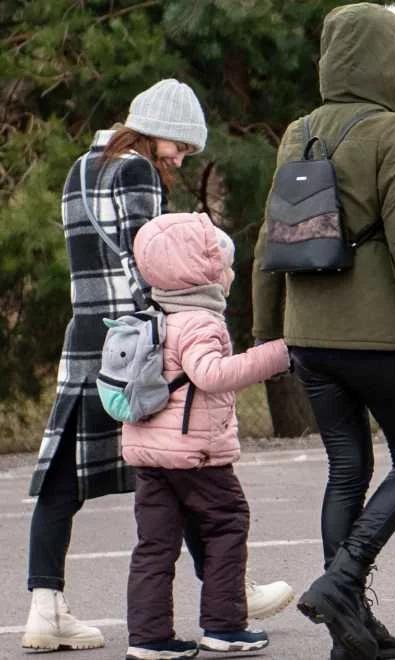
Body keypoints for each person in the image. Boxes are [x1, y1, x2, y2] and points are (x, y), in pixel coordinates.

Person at [22, 79, 291, 654]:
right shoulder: (136, 169)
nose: (181, 159)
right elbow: (152, 255)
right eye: (180, 147)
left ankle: (45, 606)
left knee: (65, 477)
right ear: (156, 129)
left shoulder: (80, 168)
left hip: (90, 336)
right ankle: (230, 593)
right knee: (185, 462)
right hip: (143, 338)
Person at [252, 4, 395, 659]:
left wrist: (269, 332)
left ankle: (351, 633)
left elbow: (269, 236)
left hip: (308, 338)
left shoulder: (298, 132)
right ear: (391, 62)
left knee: (347, 469)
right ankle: (343, 583)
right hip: (371, 333)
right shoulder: (388, 131)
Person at [120, 212, 289, 659]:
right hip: (195, 454)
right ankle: (226, 626)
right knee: (227, 525)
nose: (230, 275)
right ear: (203, 272)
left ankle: (149, 638)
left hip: (148, 456)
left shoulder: (152, 315)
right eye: (225, 266)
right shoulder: (199, 321)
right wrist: (276, 355)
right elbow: (211, 375)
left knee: (154, 545)